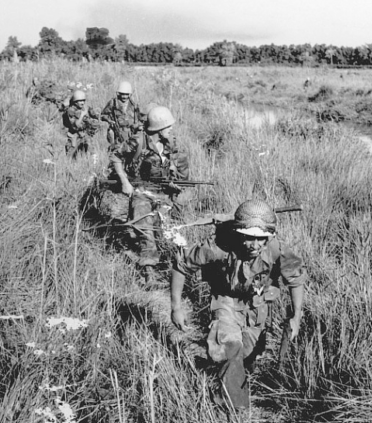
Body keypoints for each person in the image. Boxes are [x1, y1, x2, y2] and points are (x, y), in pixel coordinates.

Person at [170, 199, 306, 411]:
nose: (255, 245)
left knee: (248, 355)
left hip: (257, 305)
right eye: (249, 238)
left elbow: (295, 279)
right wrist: (176, 307)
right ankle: (235, 408)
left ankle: (231, 377)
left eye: (261, 239)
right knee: (230, 348)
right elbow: (182, 267)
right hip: (225, 300)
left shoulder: (276, 249)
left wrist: (296, 316)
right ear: (238, 233)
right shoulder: (218, 246)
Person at [108, 105, 189, 281]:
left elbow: (179, 169)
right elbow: (116, 157)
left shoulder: (170, 144)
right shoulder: (139, 141)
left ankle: (174, 266)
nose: (171, 129)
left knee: (169, 231)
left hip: (163, 194)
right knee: (145, 227)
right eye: (168, 126)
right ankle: (148, 270)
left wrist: (175, 183)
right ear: (159, 128)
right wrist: (125, 182)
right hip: (141, 191)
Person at [101, 81, 141, 148]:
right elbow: (103, 115)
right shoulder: (113, 103)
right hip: (117, 134)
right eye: (122, 94)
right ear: (119, 94)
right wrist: (109, 120)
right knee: (116, 150)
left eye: (126, 94)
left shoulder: (133, 105)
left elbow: (138, 120)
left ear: (129, 94)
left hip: (131, 133)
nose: (124, 97)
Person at [62, 89, 100, 158]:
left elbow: (96, 116)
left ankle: (94, 163)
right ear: (75, 102)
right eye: (80, 101)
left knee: (92, 151)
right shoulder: (71, 110)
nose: (82, 103)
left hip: (85, 133)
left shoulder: (85, 107)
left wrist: (94, 120)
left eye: (83, 100)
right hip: (75, 134)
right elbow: (75, 126)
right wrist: (82, 115)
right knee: (71, 155)